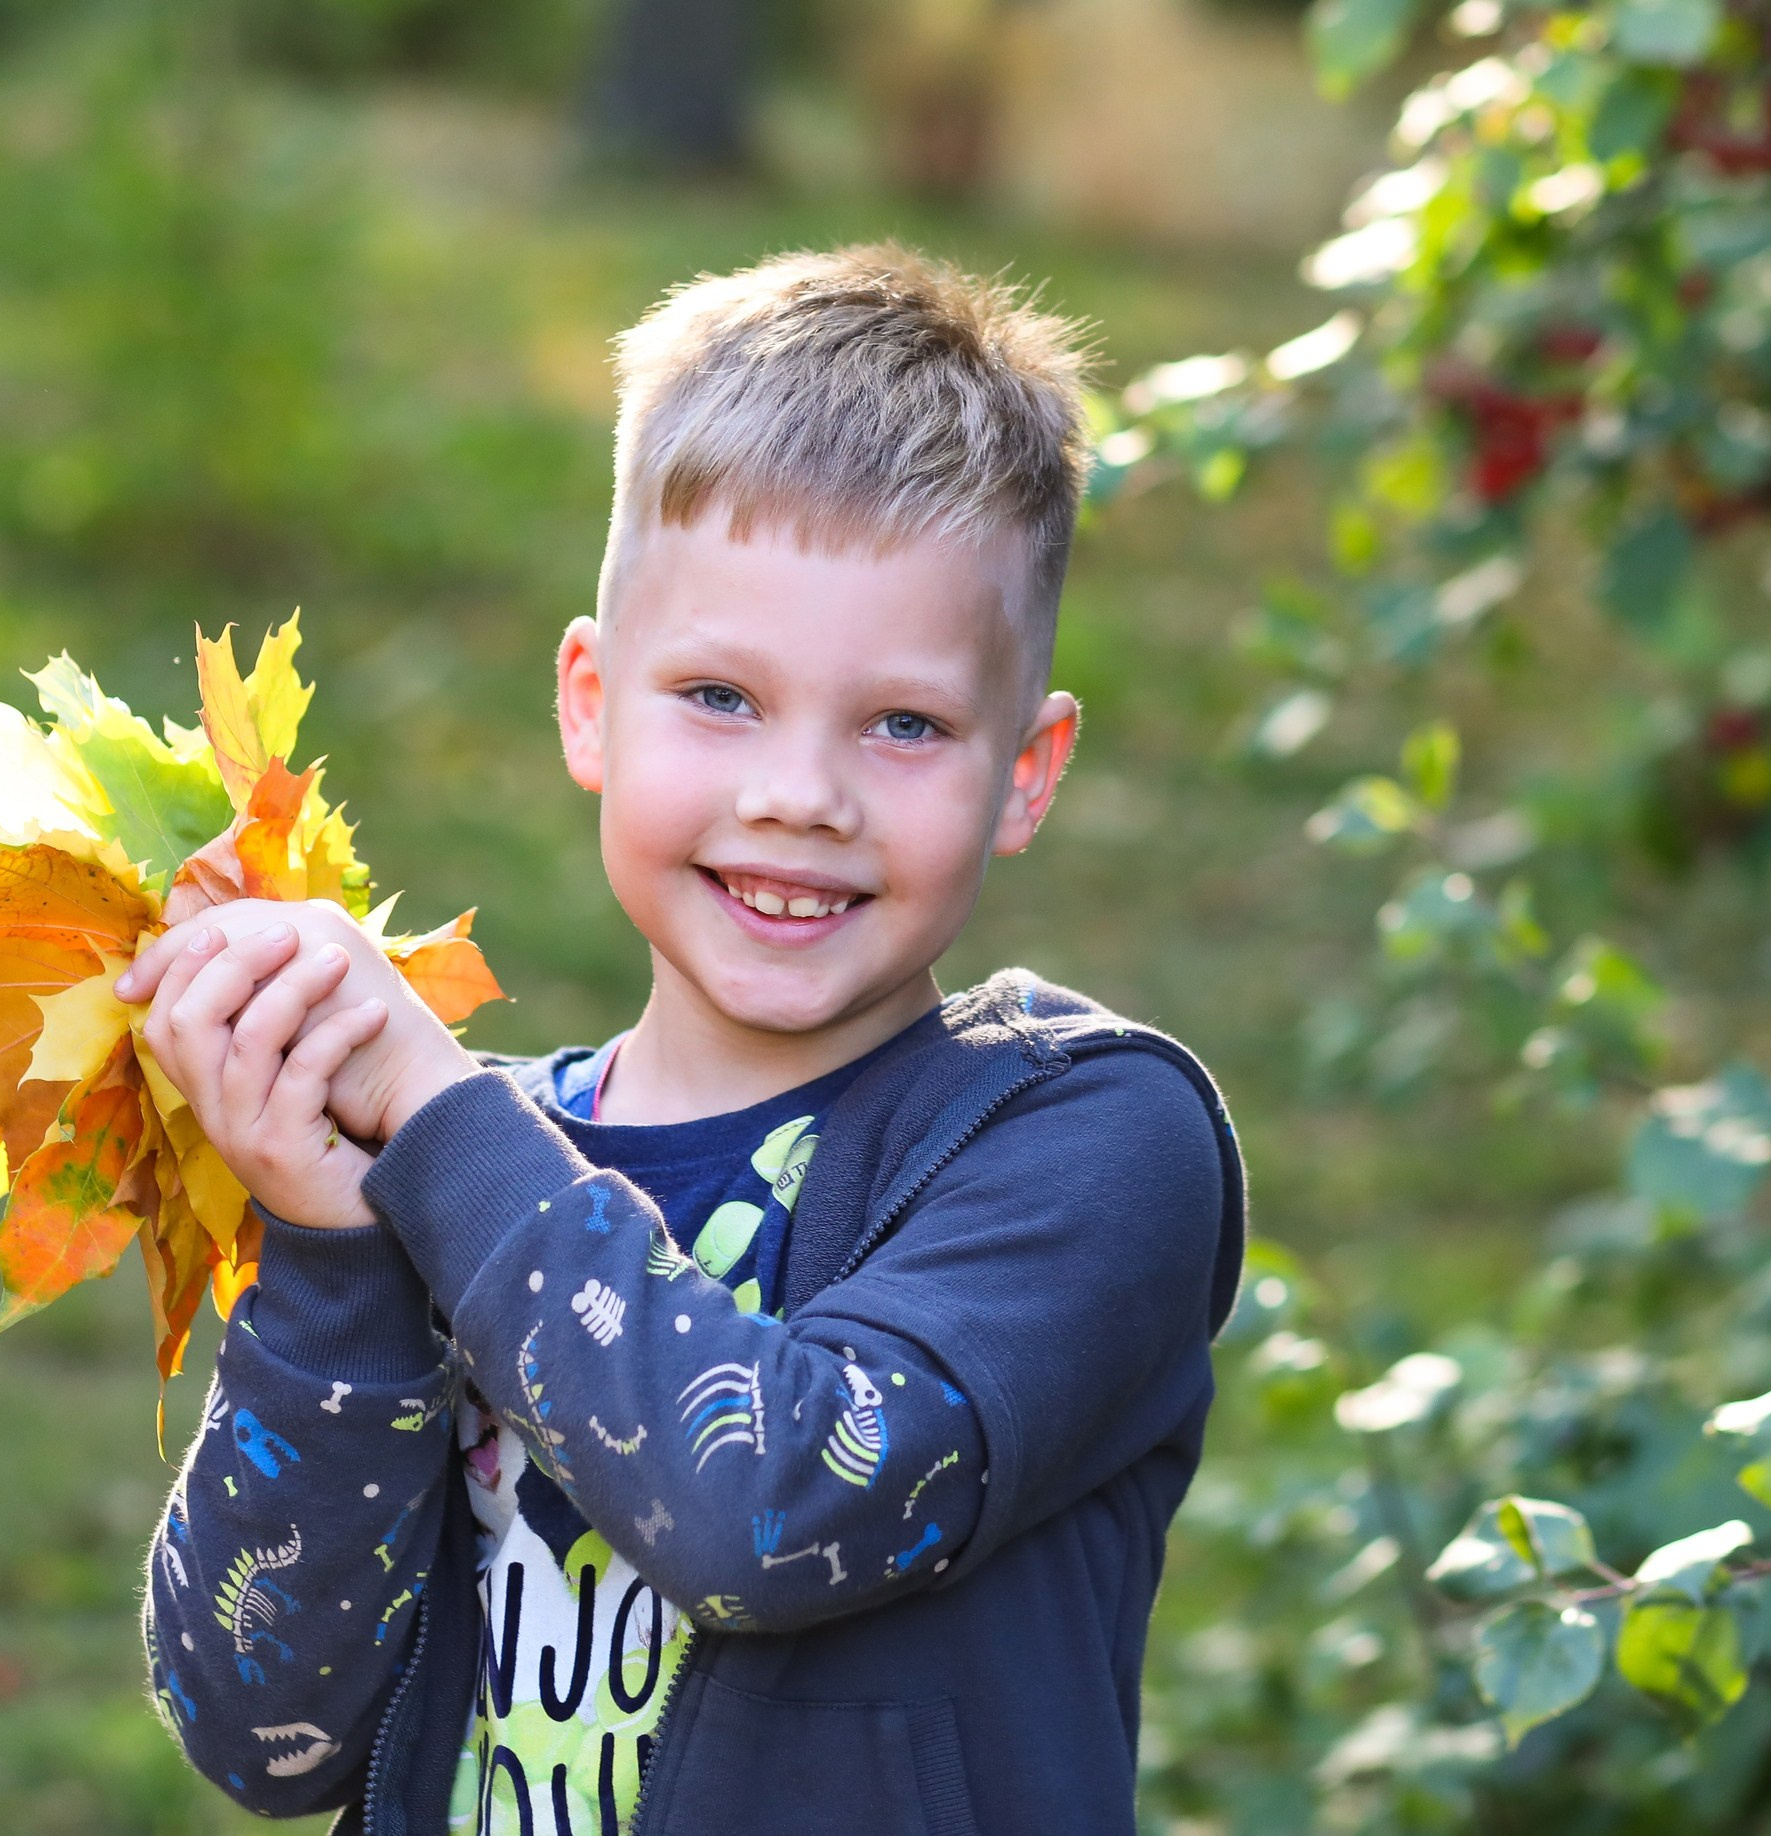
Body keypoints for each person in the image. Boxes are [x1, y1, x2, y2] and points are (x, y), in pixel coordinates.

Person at [121, 244, 1245, 1836]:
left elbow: (766, 1509)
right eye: (720, 696)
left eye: (906, 723)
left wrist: (432, 1125)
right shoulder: (464, 1166)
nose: (801, 794)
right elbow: (267, 1735)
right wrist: (329, 1260)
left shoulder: (1089, 1145)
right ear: (591, 702)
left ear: (1027, 770)